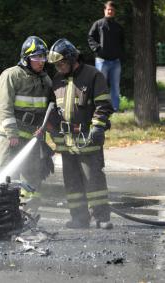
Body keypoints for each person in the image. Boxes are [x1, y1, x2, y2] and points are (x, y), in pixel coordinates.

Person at [47, 38, 114, 230]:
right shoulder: (57, 80)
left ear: (72, 58)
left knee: (93, 181)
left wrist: (98, 127)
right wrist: (53, 131)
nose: (59, 67)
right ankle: (79, 218)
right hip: (65, 142)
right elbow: (52, 109)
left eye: (61, 63)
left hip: (87, 139)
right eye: (56, 65)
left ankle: (101, 217)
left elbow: (104, 105)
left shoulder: (93, 76)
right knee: (72, 184)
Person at [0, 36, 53, 195]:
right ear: (26, 59)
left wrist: (43, 134)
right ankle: (3, 213)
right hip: (11, 137)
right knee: (6, 177)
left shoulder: (46, 80)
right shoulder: (12, 75)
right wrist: (12, 133)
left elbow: (46, 110)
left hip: (32, 137)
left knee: (33, 179)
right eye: (37, 57)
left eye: (43, 56)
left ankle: (29, 214)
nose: (41, 61)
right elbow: (3, 106)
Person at [88, 1, 124, 112]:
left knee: (115, 87)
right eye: (108, 9)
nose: (110, 11)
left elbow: (122, 42)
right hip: (101, 61)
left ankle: (115, 108)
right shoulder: (98, 24)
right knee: (100, 86)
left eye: (112, 10)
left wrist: (120, 53)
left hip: (115, 62)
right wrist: (98, 49)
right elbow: (90, 37)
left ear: (114, 12)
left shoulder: (118, 27)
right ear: (104, 10)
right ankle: (99, 108)